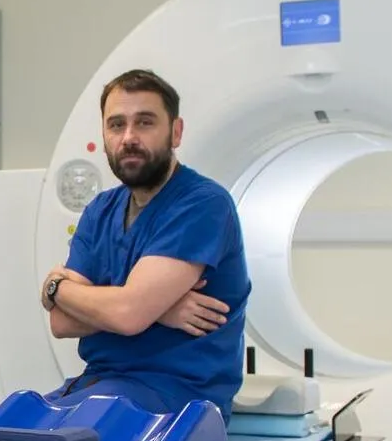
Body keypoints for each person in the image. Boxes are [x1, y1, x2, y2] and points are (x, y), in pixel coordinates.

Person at [40, 68, 251, 422]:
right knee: (1, 436)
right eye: (116, 124)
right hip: (99, 385)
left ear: (176, 131)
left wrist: (56, 287)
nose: (129, 137)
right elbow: (61, 323)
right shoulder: (100, 210)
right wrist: (156, 310)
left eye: (145, 122)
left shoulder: (202, 204)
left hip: (177, 399)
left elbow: (128, 315)